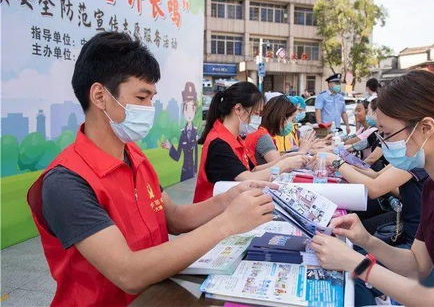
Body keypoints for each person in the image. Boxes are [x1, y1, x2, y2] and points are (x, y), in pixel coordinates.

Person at [26, 32, 276, 306]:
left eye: (152, 99)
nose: (149, 108)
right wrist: (227, 223)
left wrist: (231, 198)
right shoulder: (66, 182)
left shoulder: (134, 156)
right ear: (100, 96)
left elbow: (176, 219)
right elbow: (128, 272)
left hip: (157, 297)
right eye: (142, 97)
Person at [311, 70, 434, 306]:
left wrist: (357, 264)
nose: (384, 144)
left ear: (426, 128)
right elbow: (417, 265)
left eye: (388, 134)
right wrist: (367, 240)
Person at [195, 82, 308, 203]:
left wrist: (286, 158)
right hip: (213, 214)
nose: (257, 119)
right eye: (255, 114)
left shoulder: (235, 139)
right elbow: (249, 179)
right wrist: (285, 164)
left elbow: (253, 170)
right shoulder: (219, 143)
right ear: (238, 109)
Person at [245, 95, 316, 165]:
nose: (291, 124)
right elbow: (279, 165)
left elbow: (281, 157)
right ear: (281, 118)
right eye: (291, 119)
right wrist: (302, 152)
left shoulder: (267, 134)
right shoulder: (263, 137)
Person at [161, 81, 198, 181]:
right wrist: (170, 147)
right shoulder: (183, 134)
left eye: (192, 108)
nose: (189, 113)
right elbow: (177, 156)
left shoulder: (196, 132)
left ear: (195, 110)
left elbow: (197, 154)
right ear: (183, 111)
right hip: (185, 172)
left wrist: (196, 171)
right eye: (186, 109)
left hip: (193, 173)